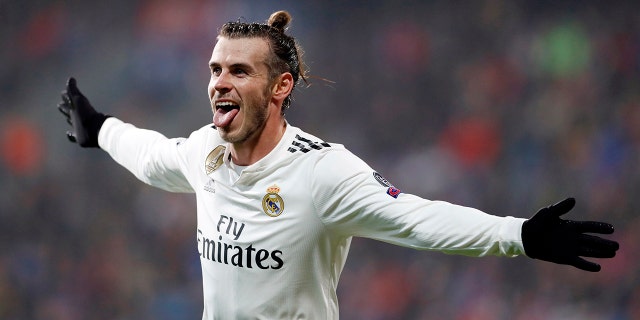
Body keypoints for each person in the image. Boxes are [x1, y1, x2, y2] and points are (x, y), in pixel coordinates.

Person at [57, 10, 619, 319]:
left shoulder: (323, 171)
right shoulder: (208, 150)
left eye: (238, 71)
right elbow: (154, 158)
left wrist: (519, 234)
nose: (219, 82)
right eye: (215, 68)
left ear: (280, 87)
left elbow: (418, 220)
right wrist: (101, 128)